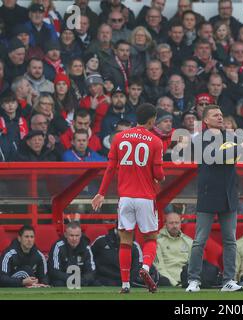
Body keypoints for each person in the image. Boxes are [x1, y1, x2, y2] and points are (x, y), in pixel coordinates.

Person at [185, 104, 243, 293]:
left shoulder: (230, 137)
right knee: (200, 240)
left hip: (228, 195)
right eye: (215, 115)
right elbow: (215, 157)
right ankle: (193, 280)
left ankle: (228, 280)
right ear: (206, 120)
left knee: (230, 240)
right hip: (208, 193)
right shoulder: (200, 139)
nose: (220, 117)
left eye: (221, 114)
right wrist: (242, 146)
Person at [91, 103, 165, 294]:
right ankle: (146, 268)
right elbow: (158, 173)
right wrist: (161, 176)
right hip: (145, 197)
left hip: (125, 198)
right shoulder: (155, 141)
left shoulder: (119, 137)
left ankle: (125, 285)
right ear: (152, 120)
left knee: (125, 240)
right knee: (151, 238)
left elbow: (110, 168)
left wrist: (101, 193)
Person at [47, 221, 96, 287]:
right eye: (71, 235)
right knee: (58, 283)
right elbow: (54, 271)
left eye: (77, 235)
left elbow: (91, 271)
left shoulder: (86, 248)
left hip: (81, 281)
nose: (74, 238)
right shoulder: (58, 247)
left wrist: (82, 280)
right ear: (66, 235)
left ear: (81, 235)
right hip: (63, 281)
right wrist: (72, 279)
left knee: (95, 283)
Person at [155, 212, 193, 287]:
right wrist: (175, 283)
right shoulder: (157, 241)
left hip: (186, 281)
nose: (174, 226)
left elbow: (193, 266)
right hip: (166, 282)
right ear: (165, 224)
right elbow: (159, 267)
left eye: (177, 223)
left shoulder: (189, 241)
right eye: (171, 223)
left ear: (180, 224)